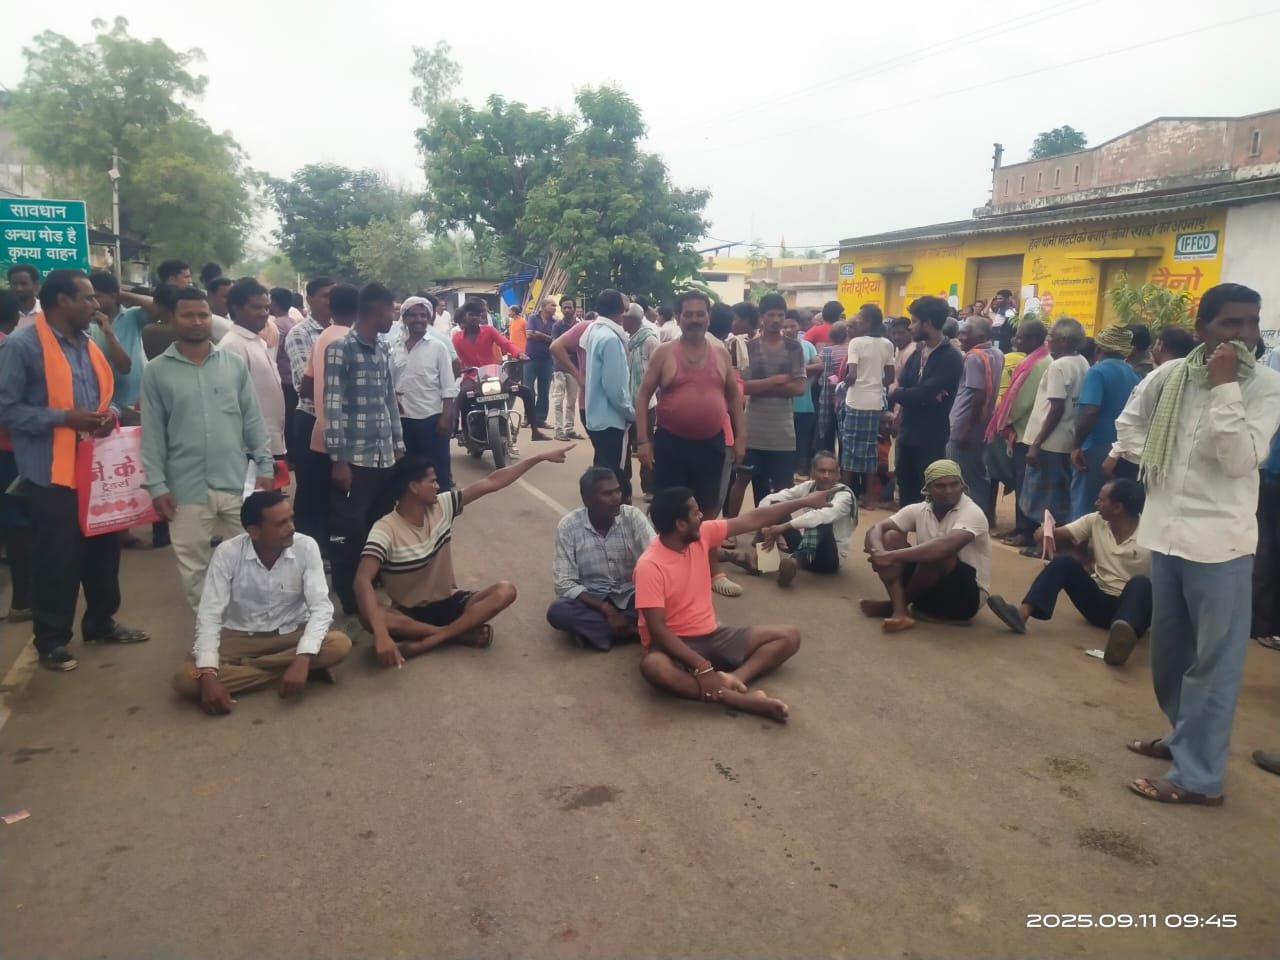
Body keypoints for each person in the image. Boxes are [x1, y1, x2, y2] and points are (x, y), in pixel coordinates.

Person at [1114, 283, 1280, 806]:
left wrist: (1226, 387)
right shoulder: (1170, 376)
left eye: (1252, 322)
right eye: (1232, 323)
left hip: (1221, 545)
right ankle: (1182, 737)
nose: (1246, 334)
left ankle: (1200, 778)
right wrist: (1154, 461)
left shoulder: (1264, 386)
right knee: (1170, 656)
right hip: (1167, 533)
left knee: (1214, 666)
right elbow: (1128, 424)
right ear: (1203, 328)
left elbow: (1239, 459)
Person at [0, 269, 149, 671]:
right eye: (87, 297)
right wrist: (64, 417)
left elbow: (106, 396)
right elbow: (7, 409)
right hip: (51, 472)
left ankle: (101, 622)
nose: (95, 305)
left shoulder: (87, 342)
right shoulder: (22, 345)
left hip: (96, 468)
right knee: (58, 558)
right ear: (62, 300)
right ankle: (51, 640)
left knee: (104, 552)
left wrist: (109, 415)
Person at [635, 485, 834, 723]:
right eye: (696, 513)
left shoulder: (703, 534)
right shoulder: (649, 565)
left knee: (789, 636)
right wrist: (701, 666)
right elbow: (658, 630)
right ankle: (741, 701)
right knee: (654, 667)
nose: (702, 516)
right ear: (680, 524)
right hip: (675, 645)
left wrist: (805, 501)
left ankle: (734, 679)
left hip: (713, 634)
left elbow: (753, 519)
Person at [357, 446, 572, 665]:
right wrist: (381, 634)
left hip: (450, 601)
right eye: (432, 481)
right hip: (408, 613)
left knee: (505, 591)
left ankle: (428, 641)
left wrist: (538, 457)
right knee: (369, 618)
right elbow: (362, 580)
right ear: (413, 487)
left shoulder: (443, 505)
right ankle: (457, 634)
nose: (438, 486)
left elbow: (492, 482)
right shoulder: (385, 529)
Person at [141, 286, 274, 612]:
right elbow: (153, 434)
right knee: (194, 568)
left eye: (203, 314)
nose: (197, 321)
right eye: (188, 315)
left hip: (235, 481)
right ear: (172, 318)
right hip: (184, 486)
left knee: (255, 554)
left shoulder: (232, 365)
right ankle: (209, 630)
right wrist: (157, 486)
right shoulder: (156, 371)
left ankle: (253, 623)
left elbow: (252, 419)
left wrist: (265, 466)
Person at [171, 491, 352, 714]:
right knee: (185, 680)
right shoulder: (227, 553)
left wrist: (303, 657)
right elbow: (210, 614)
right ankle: (287, 672)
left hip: (293, 633)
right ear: (254, 531)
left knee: (339, 644)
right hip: (241, 637)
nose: (291, 527)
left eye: (291, 519)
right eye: (281, 523)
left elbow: (321, 608)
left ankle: (258, 670)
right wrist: (208, 674)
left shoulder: (306, 546)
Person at [635, 290, 746, 597]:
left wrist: (740, 438)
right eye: (689, 314)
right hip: (671, 443)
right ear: (679, 317)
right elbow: (643, 396)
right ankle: (667, 571)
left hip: (710, 444)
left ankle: (712, 571)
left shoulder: (720, 353)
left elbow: (733, 398)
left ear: (708, 317)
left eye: (700, 314)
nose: (695, 319)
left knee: (707, 511)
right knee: (668, 510)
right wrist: (643, 441)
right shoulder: (665, 353)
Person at [987, 479, 1152, 665]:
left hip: (1132, 610)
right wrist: (1044, 533)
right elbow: (1059, 533)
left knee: (1141, 583)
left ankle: (1121, 642)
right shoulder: (1095, 520)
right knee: (1064, 562)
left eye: (1101, 500)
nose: (1096, 503)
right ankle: (1021, 615)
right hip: (1099, 600)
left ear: (1117, 507)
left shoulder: (1151, 533)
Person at [323, 282, 404, 616]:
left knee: (380, 528)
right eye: (391, 311)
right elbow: (332, 407)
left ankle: (371, 586)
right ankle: (351, 601)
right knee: (349, 534)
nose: (393, 317)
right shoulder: (340, 348)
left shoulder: (383, 348)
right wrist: (338, 460)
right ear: (377, 309)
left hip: (384, 457)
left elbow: (389, 400)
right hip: (354, 460)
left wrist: (398, 445)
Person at [860, 459, 991, 634]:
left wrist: (891, 556)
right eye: (940, 486)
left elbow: (946, 548)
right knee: (890, 537)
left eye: (954, 484)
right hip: (925, 589)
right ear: (928, 488)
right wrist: (879, 552)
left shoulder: (972, 512)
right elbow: (877, 528)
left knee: (937, 553)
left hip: (963, 600)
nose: (949, 490)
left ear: (962, 485)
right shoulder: (920, 509)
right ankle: (899, 611)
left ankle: (896, 606)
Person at [548, 466, 655, 650]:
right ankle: (636, 631)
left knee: (668, 601)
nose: (616, 498)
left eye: (617, 491)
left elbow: (656, 558)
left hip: (633, 595)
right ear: (587, 499)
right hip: (593, 599)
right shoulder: (568, 526)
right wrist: (605, 608)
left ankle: (599, 633)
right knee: (559, 611)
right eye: (607, 494)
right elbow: (564, 583)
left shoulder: (632, 517)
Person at [727, 451, 855, 583]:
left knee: (819, 520)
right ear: (812, 472)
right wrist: (767, 525)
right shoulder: (808, 487)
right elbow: (770, 499)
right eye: (822, 471)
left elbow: (822, 516)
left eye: (831, 471)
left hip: (829, 559)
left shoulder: (844, 496)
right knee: (776, 507)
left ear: (838, 474)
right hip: (805, 543)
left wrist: (782, 527)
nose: (826, 476)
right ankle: (760, 562)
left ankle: (794, 563)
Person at [734, 293, 806, 509]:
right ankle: (730, 524)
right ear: (761, 317)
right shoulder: (749, 347)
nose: (776, 320)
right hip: (753, 429)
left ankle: (778, 526)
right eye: (771, 315)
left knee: (783, 487)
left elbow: (799, 388)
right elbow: (744, 387)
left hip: (783, 432)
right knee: (743, 480)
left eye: (780, 315)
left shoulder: (794, 348)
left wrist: (761, 385)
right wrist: (776, 380)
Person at [889, 297, 963, 506]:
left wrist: (901, 393)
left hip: (931, 437)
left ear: (928, 323)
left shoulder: (950, 356)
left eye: (914, 321)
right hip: (907, 433)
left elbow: (922, 393)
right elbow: (912, 387)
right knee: (907, 492)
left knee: (931, 495)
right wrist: (915, 394)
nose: (911, 327)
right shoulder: (918, 352)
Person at [1020, 318, 1090, 531]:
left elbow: (1056, 408)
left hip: (1049, 443)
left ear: (1063, 340)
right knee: (1060, 496)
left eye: (1051, 337)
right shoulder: (1082, 361)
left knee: (1046, 500)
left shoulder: (1058, 366)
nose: (1048, 341)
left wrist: (1036, 444)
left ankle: (1049, 540)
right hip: (1065, 439)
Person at [1069, 324, 1140, 520]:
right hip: (1121, 448)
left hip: (1095, 446)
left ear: (1099, 348)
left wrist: (1076, 446)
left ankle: (1080, 539)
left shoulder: (1097, 371)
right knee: (1111, 502)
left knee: (1084, 500)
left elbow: (1090, 410)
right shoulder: (1134, 374)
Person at [285, 276, 335, 547]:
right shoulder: (301, 333)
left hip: (340, 421)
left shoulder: (345, 329)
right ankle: (308, 547)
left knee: (337, 487)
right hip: (312, 418)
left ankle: (332, 546)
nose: (330, 301)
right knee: (311, 488)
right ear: (310, 299)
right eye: (325, 295)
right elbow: (306, 386)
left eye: (333, 296)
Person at [453, 299, 545, 444]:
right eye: (471, 314)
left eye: (478, 314)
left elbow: (506, 344)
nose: (475, 317)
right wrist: (457, 369)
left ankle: (535, 430)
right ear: (465, 316)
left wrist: (519, 354)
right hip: (471, 376)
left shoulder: (489, 331)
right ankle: (461, 430)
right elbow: (456, 359)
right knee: (462, 396)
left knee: (526, 391)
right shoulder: (457, 338)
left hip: (493, 374)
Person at [391, 297, 457, 491]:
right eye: (413, 315)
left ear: (429, 318)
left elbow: (448, 386)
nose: (418, 319)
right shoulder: (394, 347)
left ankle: (442, 507)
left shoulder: (438, 347)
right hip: (401, 421)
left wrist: (445, 418)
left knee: (437, 470)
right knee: (407, 470)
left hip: (431, 420)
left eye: (423, 315)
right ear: (404, 318)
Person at [218, 280, 287, 464]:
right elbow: (230, 401)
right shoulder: (232, 345)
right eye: (257, 307)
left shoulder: (256, 341)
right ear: (236, 308)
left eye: (267, 308)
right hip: (250, 448)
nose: (264, 313)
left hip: (268, 443)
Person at [946, 316, 1002, 520]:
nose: (961, 337)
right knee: (977, 471)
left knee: (962, 473)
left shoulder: (973, 358)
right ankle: (982, 514)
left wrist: (966, 430)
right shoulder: (997, 353)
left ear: (981, 335)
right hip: (983, 422)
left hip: (964, 423)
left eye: (966, 333)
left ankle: (972, 518)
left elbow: (978, 393)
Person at [582, 289, 635, 502]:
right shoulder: (611, 338)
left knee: (601, 471)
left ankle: (596, 508)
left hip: (597, 415)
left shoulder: (595, 330)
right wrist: (630, 413)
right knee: (612, 475)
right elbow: (614, 386)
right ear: (620, 310)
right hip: (611, 418)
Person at [0, 289, 33, 622]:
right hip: (8, 449)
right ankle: (22, 601)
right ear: (15, 317)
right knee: (17, 522)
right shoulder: (10, 347)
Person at [843, 306, 896, 502]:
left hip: (856, 400)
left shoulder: (856, 342)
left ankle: (845, 495)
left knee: (849, 449)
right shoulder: (887, 344)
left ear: (867, 322)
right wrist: (874, 384)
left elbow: (852, 374)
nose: (857, 321)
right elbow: (889, 377)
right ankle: (870, 498)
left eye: (859, 318)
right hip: (875, 402)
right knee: (870, 448)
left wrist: (844, 385)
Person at [623, 302, 658, 498]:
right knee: (625, 447)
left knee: (647, 445)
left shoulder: (650, 340)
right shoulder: (625, 338)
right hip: (626, 402)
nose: (621, 320)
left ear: (632, 320)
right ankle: (625, 487)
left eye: (624, 317)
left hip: (647, 403)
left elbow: (658, 371)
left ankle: (649, 487)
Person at [785, 311, 819, 480]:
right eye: (785, 326)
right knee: (784, 443)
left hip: (804, 404)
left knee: (801, 441)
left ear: (799, 326)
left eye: (792, 326)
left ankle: (797, 472)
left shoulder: (807, 346)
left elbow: (819, 366)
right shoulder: (777, 346)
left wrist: (798, 371)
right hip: (782, 405)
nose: (788, 330)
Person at [269, 287, 298, 463]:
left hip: (284, 380)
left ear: (274, 302)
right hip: (292, 378)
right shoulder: (292, 322)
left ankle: (290, 457)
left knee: (286, 420)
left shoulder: (276, 325)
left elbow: (273, 352)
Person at [548, 296, 584, 441]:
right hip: (559, 368)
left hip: (575, 368)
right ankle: (558, 430)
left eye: (570, 307)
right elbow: (555, 346)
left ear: (574, 308)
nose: (567, 310)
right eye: (565, 307)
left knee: (572, 400)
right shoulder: (557, 326)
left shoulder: (579, 325)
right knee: (558, 400)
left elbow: (580, 346)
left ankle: (569, 429)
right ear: (561, 309)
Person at [814, 319, 849, 460]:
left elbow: (820, 374)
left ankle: (827, 463)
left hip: (829, 399)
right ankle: (842, 464)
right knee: (844, 436)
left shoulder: (827, 351)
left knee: (828, 435)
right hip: (847, 400)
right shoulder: (851, 349)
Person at [524, 298, 557, 431]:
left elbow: (555, 340)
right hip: (530, 358)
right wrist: (547, 338)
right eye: (552, 305)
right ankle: (528, 417)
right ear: (543, 307)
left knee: (544, 391)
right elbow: (529, 335)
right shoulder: (533, 318)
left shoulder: (555, 322)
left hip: (547, 360)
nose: (555, 307)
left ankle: (540, 419)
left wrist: (540, 335)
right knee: (528, 389)